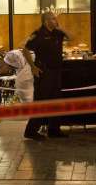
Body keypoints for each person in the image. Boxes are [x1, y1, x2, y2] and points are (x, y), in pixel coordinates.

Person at [22, 11, 71, 139]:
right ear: (46, 21)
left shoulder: (58, 33)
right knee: (41, 101)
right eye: (54, 19)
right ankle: (31, 131)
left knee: (56, 101)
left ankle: (53, 130)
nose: (56, 21)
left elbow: (72, 37)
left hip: (56, 71)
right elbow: (25, 49)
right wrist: (33, 67)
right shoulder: (38, 34)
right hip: (44, 72)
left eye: (56, 19)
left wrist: (61, 28)